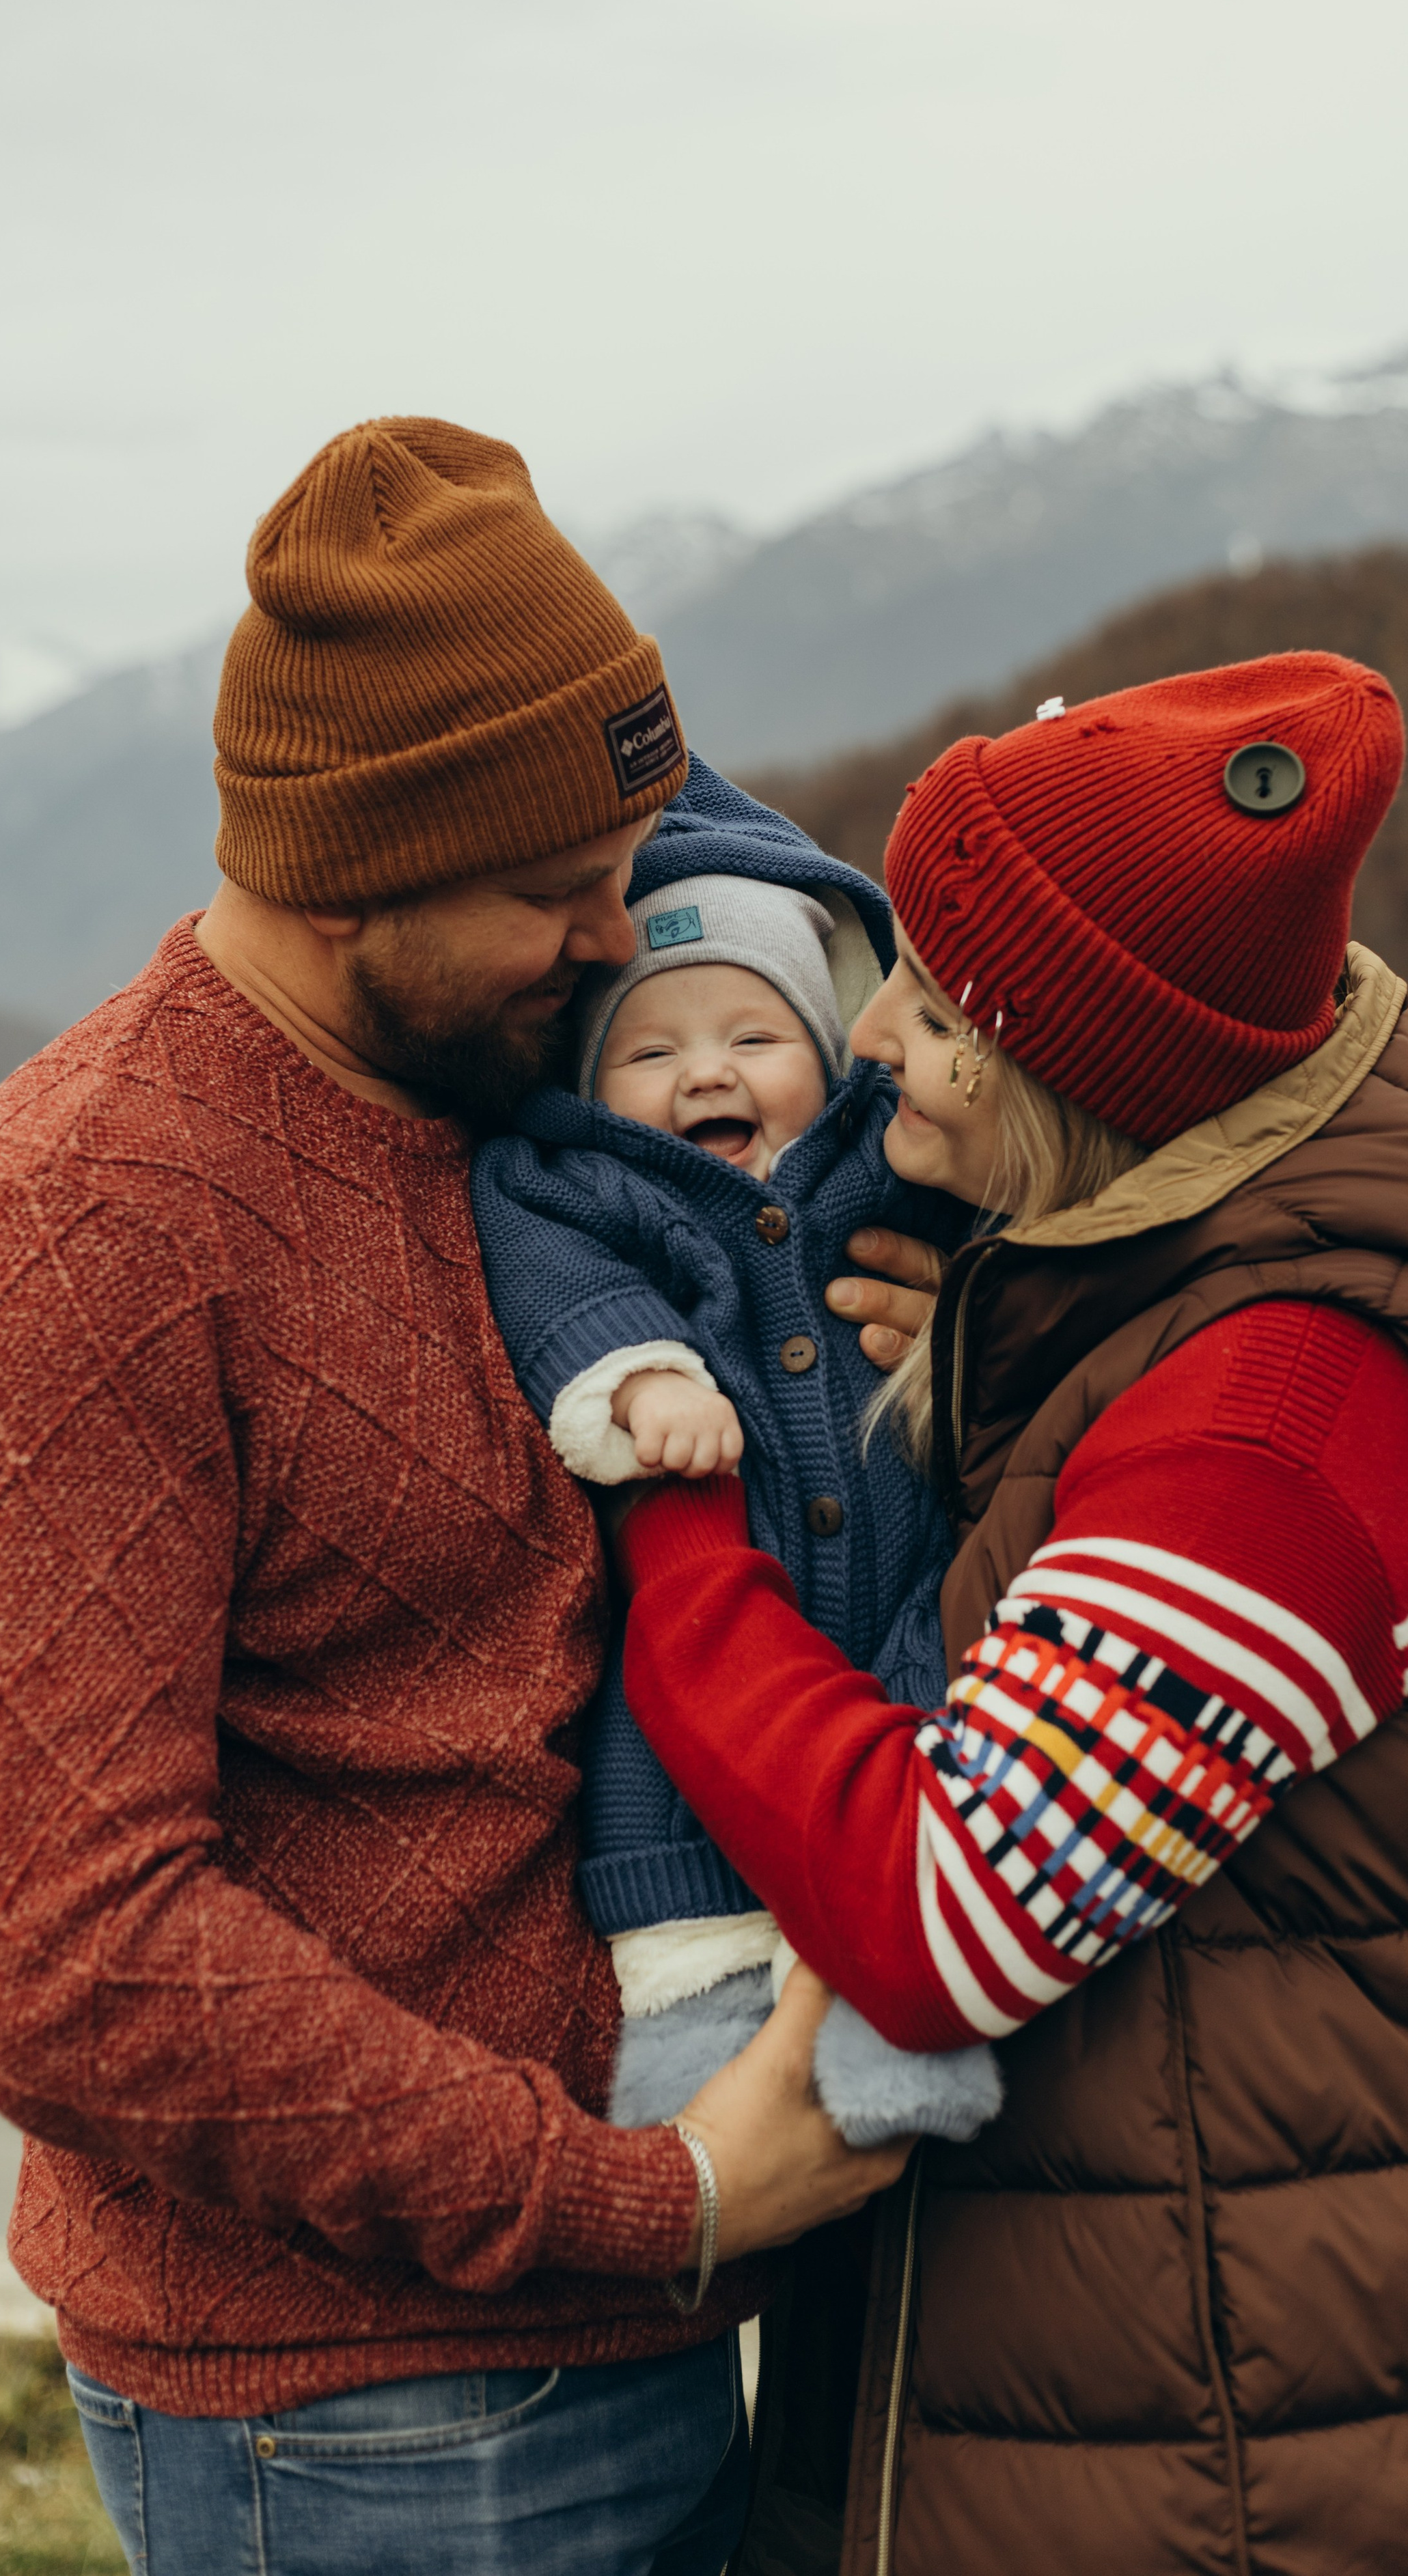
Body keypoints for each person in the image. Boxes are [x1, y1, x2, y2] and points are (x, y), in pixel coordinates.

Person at [0, 415, 907, 2576]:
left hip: (631, 2325)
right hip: (368, 2420)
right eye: (556, 894)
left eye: (620, 861)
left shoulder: (497, 1078)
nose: (610, 936)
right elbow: (69, 1961)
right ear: (351, 871)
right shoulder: (81, 1225)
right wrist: (656, 2199)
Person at [613, 652, 1408, 2573]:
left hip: (1267, 2455)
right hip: (1137, 2390)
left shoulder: (1285, 1424)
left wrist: (680, 1528)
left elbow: (943, 1914)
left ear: (1067, 1066)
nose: (876, 1043)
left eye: (929, 1001)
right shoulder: (1149, 1285)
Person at [470, 766, 999, 2145]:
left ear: (831, 1057)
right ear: (593, 1086)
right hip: (700, 1690)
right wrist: (639, 1375)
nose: (705, 1070)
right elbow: (547, 1271)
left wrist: (976, 1325)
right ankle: (691, 2070)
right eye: (648, 1052)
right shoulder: (587, 1183)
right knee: (681, 1871)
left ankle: (903, 2037)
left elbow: (1006, 1247)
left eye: (753, 1034)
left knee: (921, 1760)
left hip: (890, 1607)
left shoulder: (888, 1165)